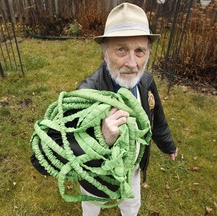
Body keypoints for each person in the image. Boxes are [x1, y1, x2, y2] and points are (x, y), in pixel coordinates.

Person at [76, 3, 178, 216]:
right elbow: (67, 149)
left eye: (139, 51)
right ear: (105, 53)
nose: (132, 63)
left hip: (132, 166)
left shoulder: (146, 82)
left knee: (131, 206)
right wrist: (102, 138)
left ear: (148, 53)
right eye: (121, 49)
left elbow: (157, 118)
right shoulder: (87, 93)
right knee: (92, 205)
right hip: (97, 175)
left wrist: (168, 145)